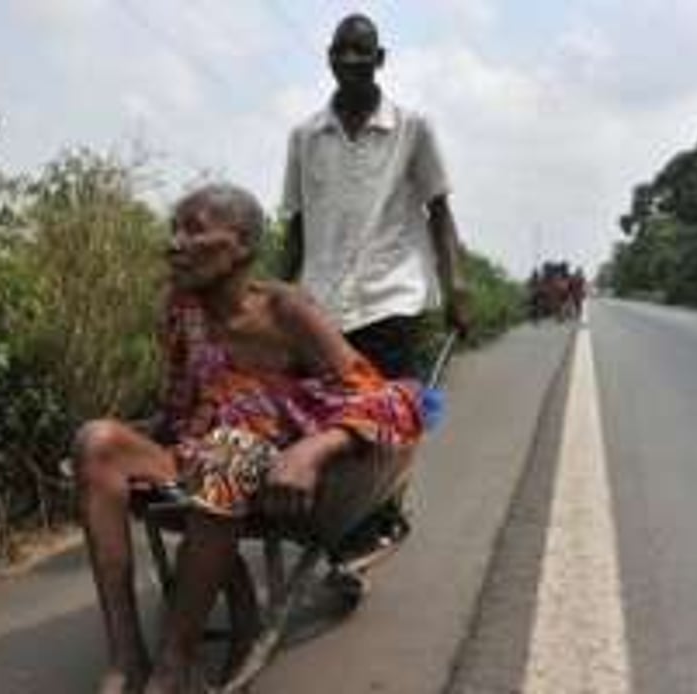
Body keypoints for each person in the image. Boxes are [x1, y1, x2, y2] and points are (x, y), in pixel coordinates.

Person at [72, 183, 423, 694]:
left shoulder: (286, 310)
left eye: (193, 229)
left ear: (240, 246)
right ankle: (126, 658)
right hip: (208, 452)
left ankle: (174, 661)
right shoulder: (180, 308)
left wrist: (311, 449)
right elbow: (178, 408)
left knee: (229, 452)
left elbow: (383, 399)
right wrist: (136, 444)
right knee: (95, 440)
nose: (174, 242)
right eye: (174, 229)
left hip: (280, 463)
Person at [281, 12, 469, 549]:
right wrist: (271, 302)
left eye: (362, 52)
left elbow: (440, 214)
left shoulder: (412, 129)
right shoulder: (305, 137)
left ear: (380, 59)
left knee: (380, 421)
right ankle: (336, 518)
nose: (350, 61)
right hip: (320, 305)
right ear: (328, 57)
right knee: (318, 418)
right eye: (341, 51)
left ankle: (375, 520)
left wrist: (457, 288)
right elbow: (295, 227)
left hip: (390, 297)